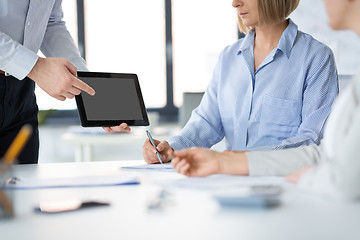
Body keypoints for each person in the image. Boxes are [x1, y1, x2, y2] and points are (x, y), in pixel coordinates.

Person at [171, 0, 360, 200]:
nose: (235, 3)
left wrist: (234, 160)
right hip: (229, 186)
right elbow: (206, 121)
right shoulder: (228, 57)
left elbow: (312, 141)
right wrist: (171, 147)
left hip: (287, 190)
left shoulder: (316, 57)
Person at [0, 0, 95, 164]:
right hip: (29, 71)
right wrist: (35, 67)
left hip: (22, 90)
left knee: (22, 184)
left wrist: (86, 85)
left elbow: (50, 22)